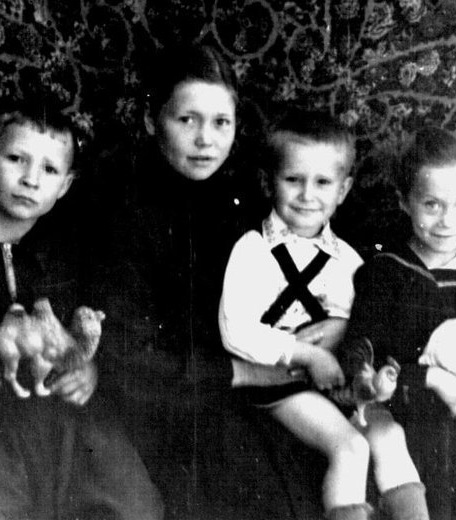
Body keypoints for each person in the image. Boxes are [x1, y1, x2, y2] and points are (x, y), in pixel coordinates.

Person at [98, 44, 332, 520]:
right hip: (164, 401)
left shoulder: (242, 198)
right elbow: (127, 358)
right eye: (187, 120)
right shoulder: (121, 209)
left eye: (221, 122)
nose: (205, 139)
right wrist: (247, 373)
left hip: (246, 389)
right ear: (151, 121)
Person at [0, 104, 163, 520]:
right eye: (16, 159)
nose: (30, 179)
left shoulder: (75, 255)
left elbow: (106, 329)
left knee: (131, 503)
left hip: (66, 420)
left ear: (65, 186)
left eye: (49, 169)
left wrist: (91, 370)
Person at [218, 110, 429, 520]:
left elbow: (365, 325)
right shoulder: (252, 248)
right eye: (293, 180)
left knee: (389, 434)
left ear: (343, 189)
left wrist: (354, 347)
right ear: (269, 182)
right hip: (278, 381)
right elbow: (235, 330)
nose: (306, 195)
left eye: (322, 183)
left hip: (337, 381)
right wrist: (307, 354)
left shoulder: (348, 259)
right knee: (351, 447)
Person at [342, 127, 456, 517]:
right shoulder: (385, 273)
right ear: (405, 202)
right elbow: (362, 360)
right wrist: (428, 378)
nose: (447, 221)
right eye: (432, 205)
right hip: (410, 428)